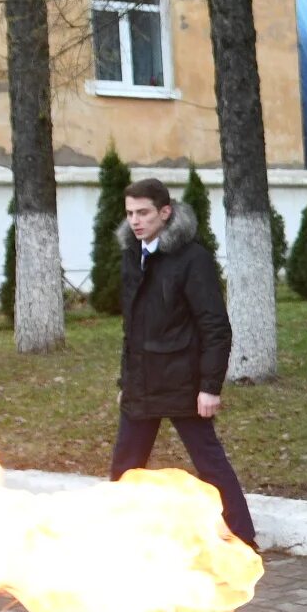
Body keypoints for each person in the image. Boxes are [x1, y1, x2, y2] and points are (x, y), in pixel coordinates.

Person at [112, 178, 256, 550]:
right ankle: (117, 539)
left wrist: (210, 386)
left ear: (165, 212)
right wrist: (125, 382)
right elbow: (133, 327)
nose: (135, 221)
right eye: (130, 214)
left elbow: (215, 326)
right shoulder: (132, 255)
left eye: (143, 212)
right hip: (142, 383)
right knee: (126, 468)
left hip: (185, 384)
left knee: (209, 463)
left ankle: (242, 537)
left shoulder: (192, 259)